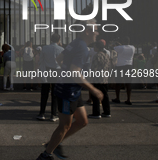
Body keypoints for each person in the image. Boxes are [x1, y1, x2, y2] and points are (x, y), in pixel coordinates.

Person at [36, 19, 103, 160]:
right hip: (68, 91)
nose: (97, 33)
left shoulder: (75, 42)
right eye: (95, 30)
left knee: (83, 121)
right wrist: (93, 90)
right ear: (87, 31)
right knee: (64, 125)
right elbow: (75, 72)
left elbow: (60, 59)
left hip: (73, 90)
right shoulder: (83, 48)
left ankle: (54, 143)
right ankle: (46, 155)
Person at [37, 33, 63, 122]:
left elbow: (40, 61)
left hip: (47, 70)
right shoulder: (61, 49)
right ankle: (53, 114)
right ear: (58, 40)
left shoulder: (45, 48)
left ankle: (42, 113)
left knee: (44, 92)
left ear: (51, 39)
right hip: (57, 71)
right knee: (55, 94)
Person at [88, 40, 111, 119]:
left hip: (97, 78)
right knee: (105, 95)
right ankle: (107, 111)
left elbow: (94, 68)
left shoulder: (96, 56)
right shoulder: (106, 55)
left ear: (97, 47)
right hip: (104, 77)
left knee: (95, 96)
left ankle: (96, 112)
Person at [112, 36, 135, 105]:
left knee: (118, 83)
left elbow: (113, 48)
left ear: (123, 41)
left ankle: (117, 98)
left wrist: (118, 44)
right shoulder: (132, 47)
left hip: (120, 66)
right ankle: (128, 99)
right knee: (128, 83)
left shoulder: (120, 47)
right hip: (129, 65)